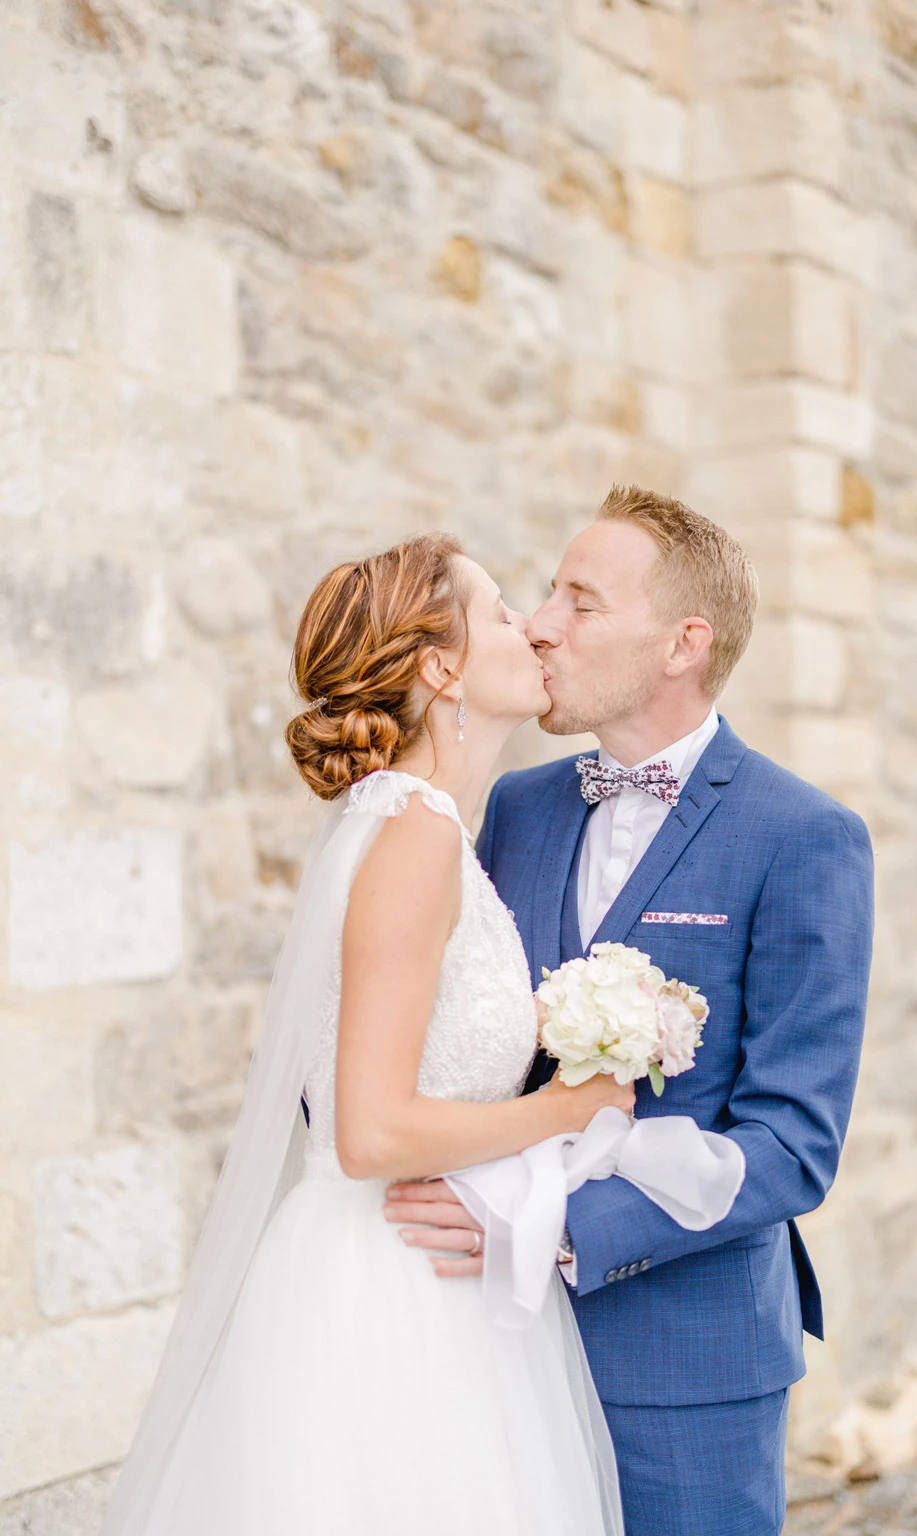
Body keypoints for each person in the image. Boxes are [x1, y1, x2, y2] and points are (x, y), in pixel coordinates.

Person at [99, 534, 629, 1536]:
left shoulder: (422, 830)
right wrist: (561, 1109)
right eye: (503, 610)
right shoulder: (413, 838)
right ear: (441, 666)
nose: (529, 628)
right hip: (388, 1295)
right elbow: (369, 1132)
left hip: (432, 1271)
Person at [387, 486, 875, 1536]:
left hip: (686, 1360)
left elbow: (792, 1144)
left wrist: (548, 1227)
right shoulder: (514, 805)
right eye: (547, 592)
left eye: (581, 600)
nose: (539, 622)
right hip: (494, 1348)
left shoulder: (804, 836)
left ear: (679, 644)